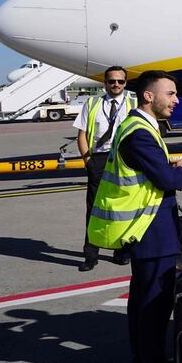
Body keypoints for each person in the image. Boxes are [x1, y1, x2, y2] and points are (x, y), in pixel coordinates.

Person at [87, 70, 182, 363]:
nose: (176, 100)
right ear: (148, 96)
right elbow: (165, 180)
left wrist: (173, 166)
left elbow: (150, 170)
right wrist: (181, 172)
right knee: (154, 303)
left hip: (148, 228)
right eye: (171, 93)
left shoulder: (139, 127)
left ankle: (145, 362)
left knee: (143, 299)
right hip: (150, 231)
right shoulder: (140, 133)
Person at [73, 66, 136, 271]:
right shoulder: (92, 103)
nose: (116, 84)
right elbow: (82, 135)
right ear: (105, 83)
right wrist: (88, 161)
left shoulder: (133, 104)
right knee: (94, 209)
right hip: (99, 159)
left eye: (120, 81)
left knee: (123, 208)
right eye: (112, 81)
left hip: (124, 159)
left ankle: (122, 251)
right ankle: (90, 256)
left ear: (125, 83)